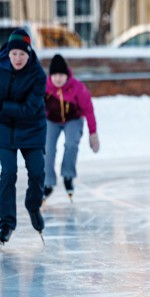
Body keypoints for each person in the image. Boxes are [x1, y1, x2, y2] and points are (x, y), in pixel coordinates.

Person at [0, 28, 48, 244]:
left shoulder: (38, 75)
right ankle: (6, 224)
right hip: (3, 126)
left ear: (29, 54)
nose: (18, 58)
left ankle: (33, 206)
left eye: (23, 54)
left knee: (37, 172)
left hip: (32, 126)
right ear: (8, 52)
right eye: (14, 53)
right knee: (8, 172)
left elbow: (28, 109)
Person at [43, 53, 100, 200]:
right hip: (51, 121)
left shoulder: (77, 88)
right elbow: (36, 109)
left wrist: (93, 133)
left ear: (67, 74)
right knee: (47, 149)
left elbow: (89, 110)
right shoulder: (44, 88)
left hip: (73, 120)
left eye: (61, 74)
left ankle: (68, 175)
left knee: (71, 144)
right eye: (55, 75)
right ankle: (48, 182)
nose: (58, 78)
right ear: (51, 76)